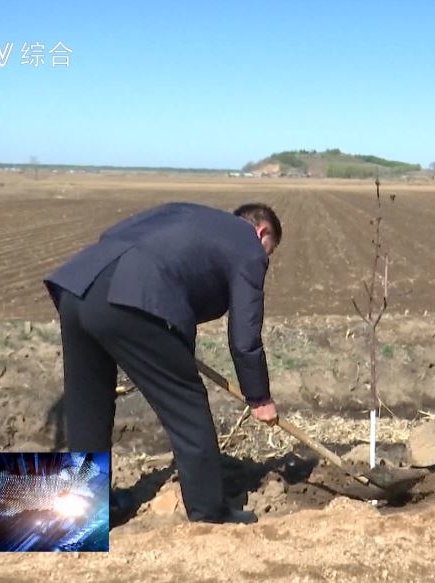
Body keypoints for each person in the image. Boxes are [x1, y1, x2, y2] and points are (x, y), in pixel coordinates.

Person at [44, 201, 283, 524]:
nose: (264, 260)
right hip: (132, 297)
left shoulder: (187, 215)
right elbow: (244, 336)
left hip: (79, 287)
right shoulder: (248, 245)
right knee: (187, 404)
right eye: (269, 252)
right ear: (262, 231)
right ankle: (210, 511)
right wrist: (259, 397)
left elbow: (112, 234)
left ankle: (86, 508)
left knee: (87, 402)